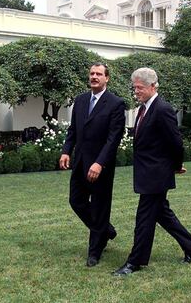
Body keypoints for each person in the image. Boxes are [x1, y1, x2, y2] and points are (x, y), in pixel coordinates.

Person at [113, 67, 191, 276]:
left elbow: (176, 142)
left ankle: (134, 262)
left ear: (153, 86)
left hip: (156, 175)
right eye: (134, 88)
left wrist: (176, 165)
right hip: (148, 173)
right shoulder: (144, 108)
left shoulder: (162, 109)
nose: (136, 92)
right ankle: (190, 244)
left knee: (143, 220)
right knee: (162, 214)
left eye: (140, 88)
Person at [59, 63, 126, 267]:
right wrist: (65, 151)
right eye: (91, 73)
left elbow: (114, 138)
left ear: (107, 78)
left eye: (99, 74)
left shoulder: (115, 103)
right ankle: (105, 230)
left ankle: (95, 251)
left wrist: (99, 163)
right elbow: (73, 130)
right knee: (75, 201)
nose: (94, 77)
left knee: (99, 208)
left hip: (101, 166)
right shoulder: (80, 101)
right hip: (80, 163)